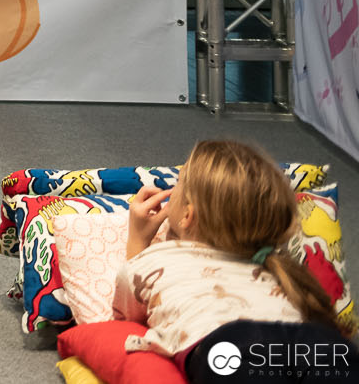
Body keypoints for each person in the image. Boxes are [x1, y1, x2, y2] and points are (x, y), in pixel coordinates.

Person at [117, 138, 348, 378]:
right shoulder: (273, 264)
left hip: (229, 341)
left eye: (178, 184)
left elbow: (126, 320)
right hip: (313, 338)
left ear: (188, 215)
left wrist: (137, 241)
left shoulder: (155, 259)